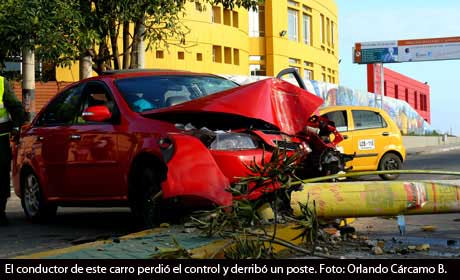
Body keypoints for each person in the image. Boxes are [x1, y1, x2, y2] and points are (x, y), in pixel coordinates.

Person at [0, 75, 26, 226]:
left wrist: (16, 126)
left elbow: (17, 108)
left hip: (0, 138)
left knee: (1, 175)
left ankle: (0, 212)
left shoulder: (2, 82)